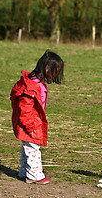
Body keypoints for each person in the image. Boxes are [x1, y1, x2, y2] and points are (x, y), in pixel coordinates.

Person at [10, 50, 64, 184]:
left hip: (33, 121)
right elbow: (25, 109)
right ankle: (34, 175)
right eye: (54, 71)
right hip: (30, 123)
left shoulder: (35, 82)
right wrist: (29, 126)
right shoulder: (31, 87)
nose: (55, 74)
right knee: (33, 148)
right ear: (46, 68)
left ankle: (24, 172)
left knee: (27, 147)